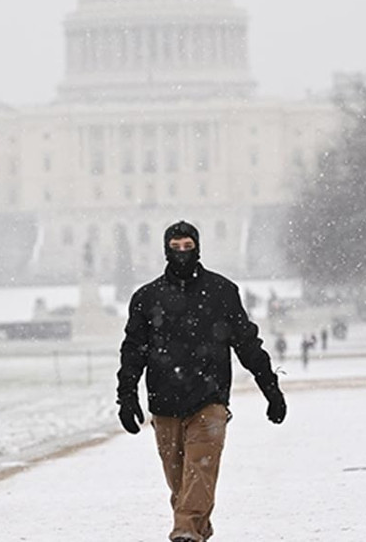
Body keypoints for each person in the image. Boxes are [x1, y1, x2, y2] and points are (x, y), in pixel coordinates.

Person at [117, 220, 286, 542]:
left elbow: (247, 343)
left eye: (188, 247)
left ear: (198, 247)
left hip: (209, 398)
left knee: (201, 469)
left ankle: (185, 531)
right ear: (166, 250)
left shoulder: (221, 291)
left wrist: (271, 389)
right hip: (165, 400)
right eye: (176, 247)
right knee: (181, 481)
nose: (182, 253)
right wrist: (126, 396)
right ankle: (197, 527)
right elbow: (133, 350)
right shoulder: (147, 297)